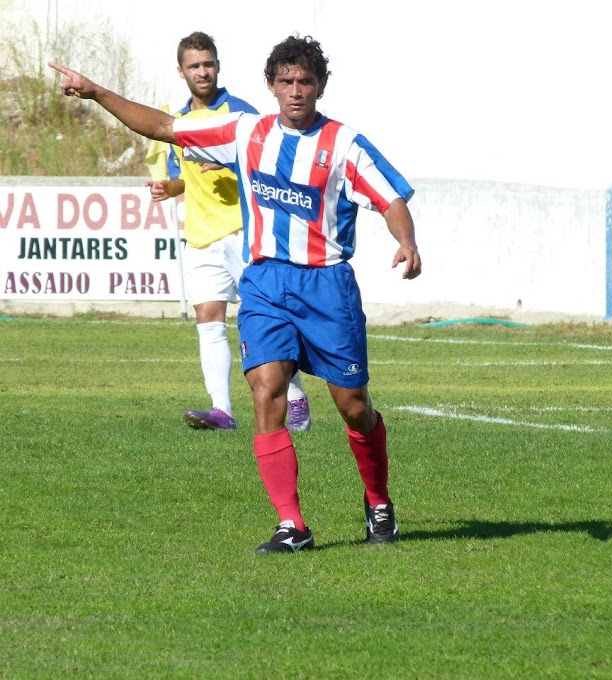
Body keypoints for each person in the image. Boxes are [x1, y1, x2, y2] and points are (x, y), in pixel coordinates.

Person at [49, 34, 421, 554]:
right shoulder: (245, 133)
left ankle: (378, 500)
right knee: (266, 390)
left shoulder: (345, 145)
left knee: (353, 406)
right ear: (270, 86)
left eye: (305, 81)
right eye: (286, 81)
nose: (295, 91)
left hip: (327, 285)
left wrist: (406, 241)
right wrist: (95, 92)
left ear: (321, 86)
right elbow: (162, 126)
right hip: (266, 281)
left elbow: (391, 197)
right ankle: (292, 524)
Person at [146, 32, 311, 432]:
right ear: (181, 71)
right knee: (209, 318)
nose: (202, 72)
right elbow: (183, 175)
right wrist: (170, 187)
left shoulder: (242, 116)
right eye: (194, 66)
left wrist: (230, 167)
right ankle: (222, 410)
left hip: (244, 233)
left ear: (218, 66)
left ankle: (295, 396)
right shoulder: (178, 122)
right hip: (201, 235)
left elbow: (269, 169)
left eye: (208, 64)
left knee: (265, 319)